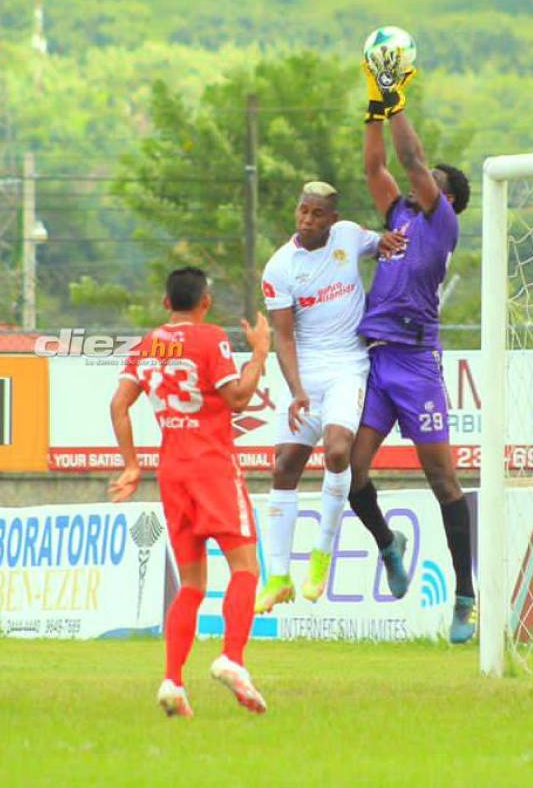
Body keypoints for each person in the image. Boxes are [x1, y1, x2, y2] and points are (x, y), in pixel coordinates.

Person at [108, 267, 271, 717]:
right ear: (206, 302)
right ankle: (232, 659)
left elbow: (118, 405)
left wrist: (131, 464)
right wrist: (258, 354)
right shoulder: (209, 337)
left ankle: (172, 682)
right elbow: (237, 397)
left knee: (193, 584)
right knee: (245, 569)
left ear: (165, 304)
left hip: (172, 472)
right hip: (212, 467)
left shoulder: (149, 344)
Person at [353, 62, 475, 643]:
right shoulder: (395, 216)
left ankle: (464, 594)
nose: (423, 184)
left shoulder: (441, 223)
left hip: (417, 363)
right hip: (376, 359)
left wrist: (397, 99)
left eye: (433, 182)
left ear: (445, 197)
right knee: (347, 469)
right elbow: (377, 166)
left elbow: (410, 162)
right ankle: (387, 543)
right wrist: (375, 105)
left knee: (442, 480)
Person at [255, 183, 406, 613]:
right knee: (284, 466)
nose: (306, 220)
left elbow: (382, 243)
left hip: (347, 366)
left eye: (317, 214)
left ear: (331, 218)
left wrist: (390, 240)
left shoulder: (347, 237)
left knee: (338, 451)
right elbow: (283, 336)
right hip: (306, 373)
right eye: (302, 211)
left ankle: (321, 557)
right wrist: (297, 389)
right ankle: (279, 577)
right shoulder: (279, 267)